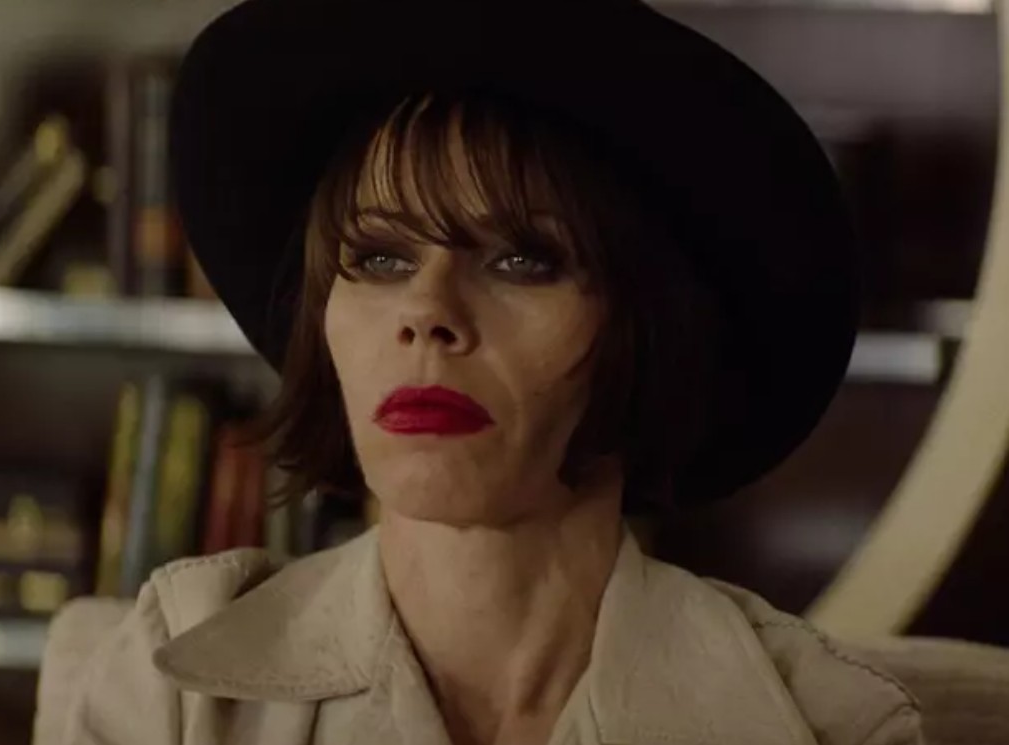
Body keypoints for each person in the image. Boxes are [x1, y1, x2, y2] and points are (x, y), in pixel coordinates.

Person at [60, 0, 926, 743]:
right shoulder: (175, 689)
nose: (426, 311)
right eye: (380, 258)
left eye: (521, 261)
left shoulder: (826, 723)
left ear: (642, 327)